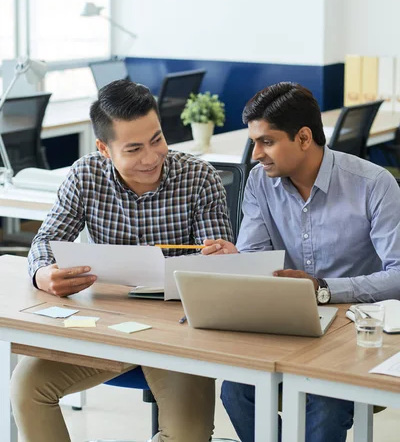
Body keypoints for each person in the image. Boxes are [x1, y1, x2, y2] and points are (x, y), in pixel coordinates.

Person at [11, 79, 233, 442]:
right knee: (26, 387)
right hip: (106, 326)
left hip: (177, 333)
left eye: (157, 139)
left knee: (188, 436)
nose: (151, 157)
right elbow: (45, 242)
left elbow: (218, 266)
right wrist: (41, 274)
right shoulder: (85, 176)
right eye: (133, 148)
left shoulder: (199, 178)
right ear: (104, 148)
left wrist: (221, 260)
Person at [202, 81, 400, 442]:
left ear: (304, 138)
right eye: (254, 142)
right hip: (287, 322)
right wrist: (236, 262)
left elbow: (398, 275)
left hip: (356, 329)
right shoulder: (260, 183)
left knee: (324, 403)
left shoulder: (374, 185)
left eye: (267, 141)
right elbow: (256, 261)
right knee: (236, 391)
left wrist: (323, 290)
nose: (257, 154)